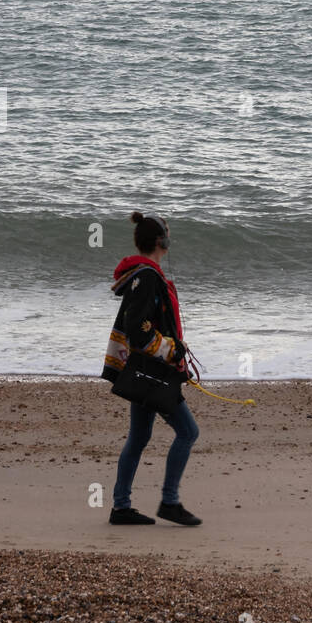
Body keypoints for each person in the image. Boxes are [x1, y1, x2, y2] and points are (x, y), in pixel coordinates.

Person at [100, 212, 202, 526]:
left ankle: (121, 507)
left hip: (141, 370)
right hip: (152, 372)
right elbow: (139, 332)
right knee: (188, 432)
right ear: (162, 242)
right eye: (168, 235)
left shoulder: (142, 275)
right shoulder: (147, 278)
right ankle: (169, 502)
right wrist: (172, 349)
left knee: (139, 436)